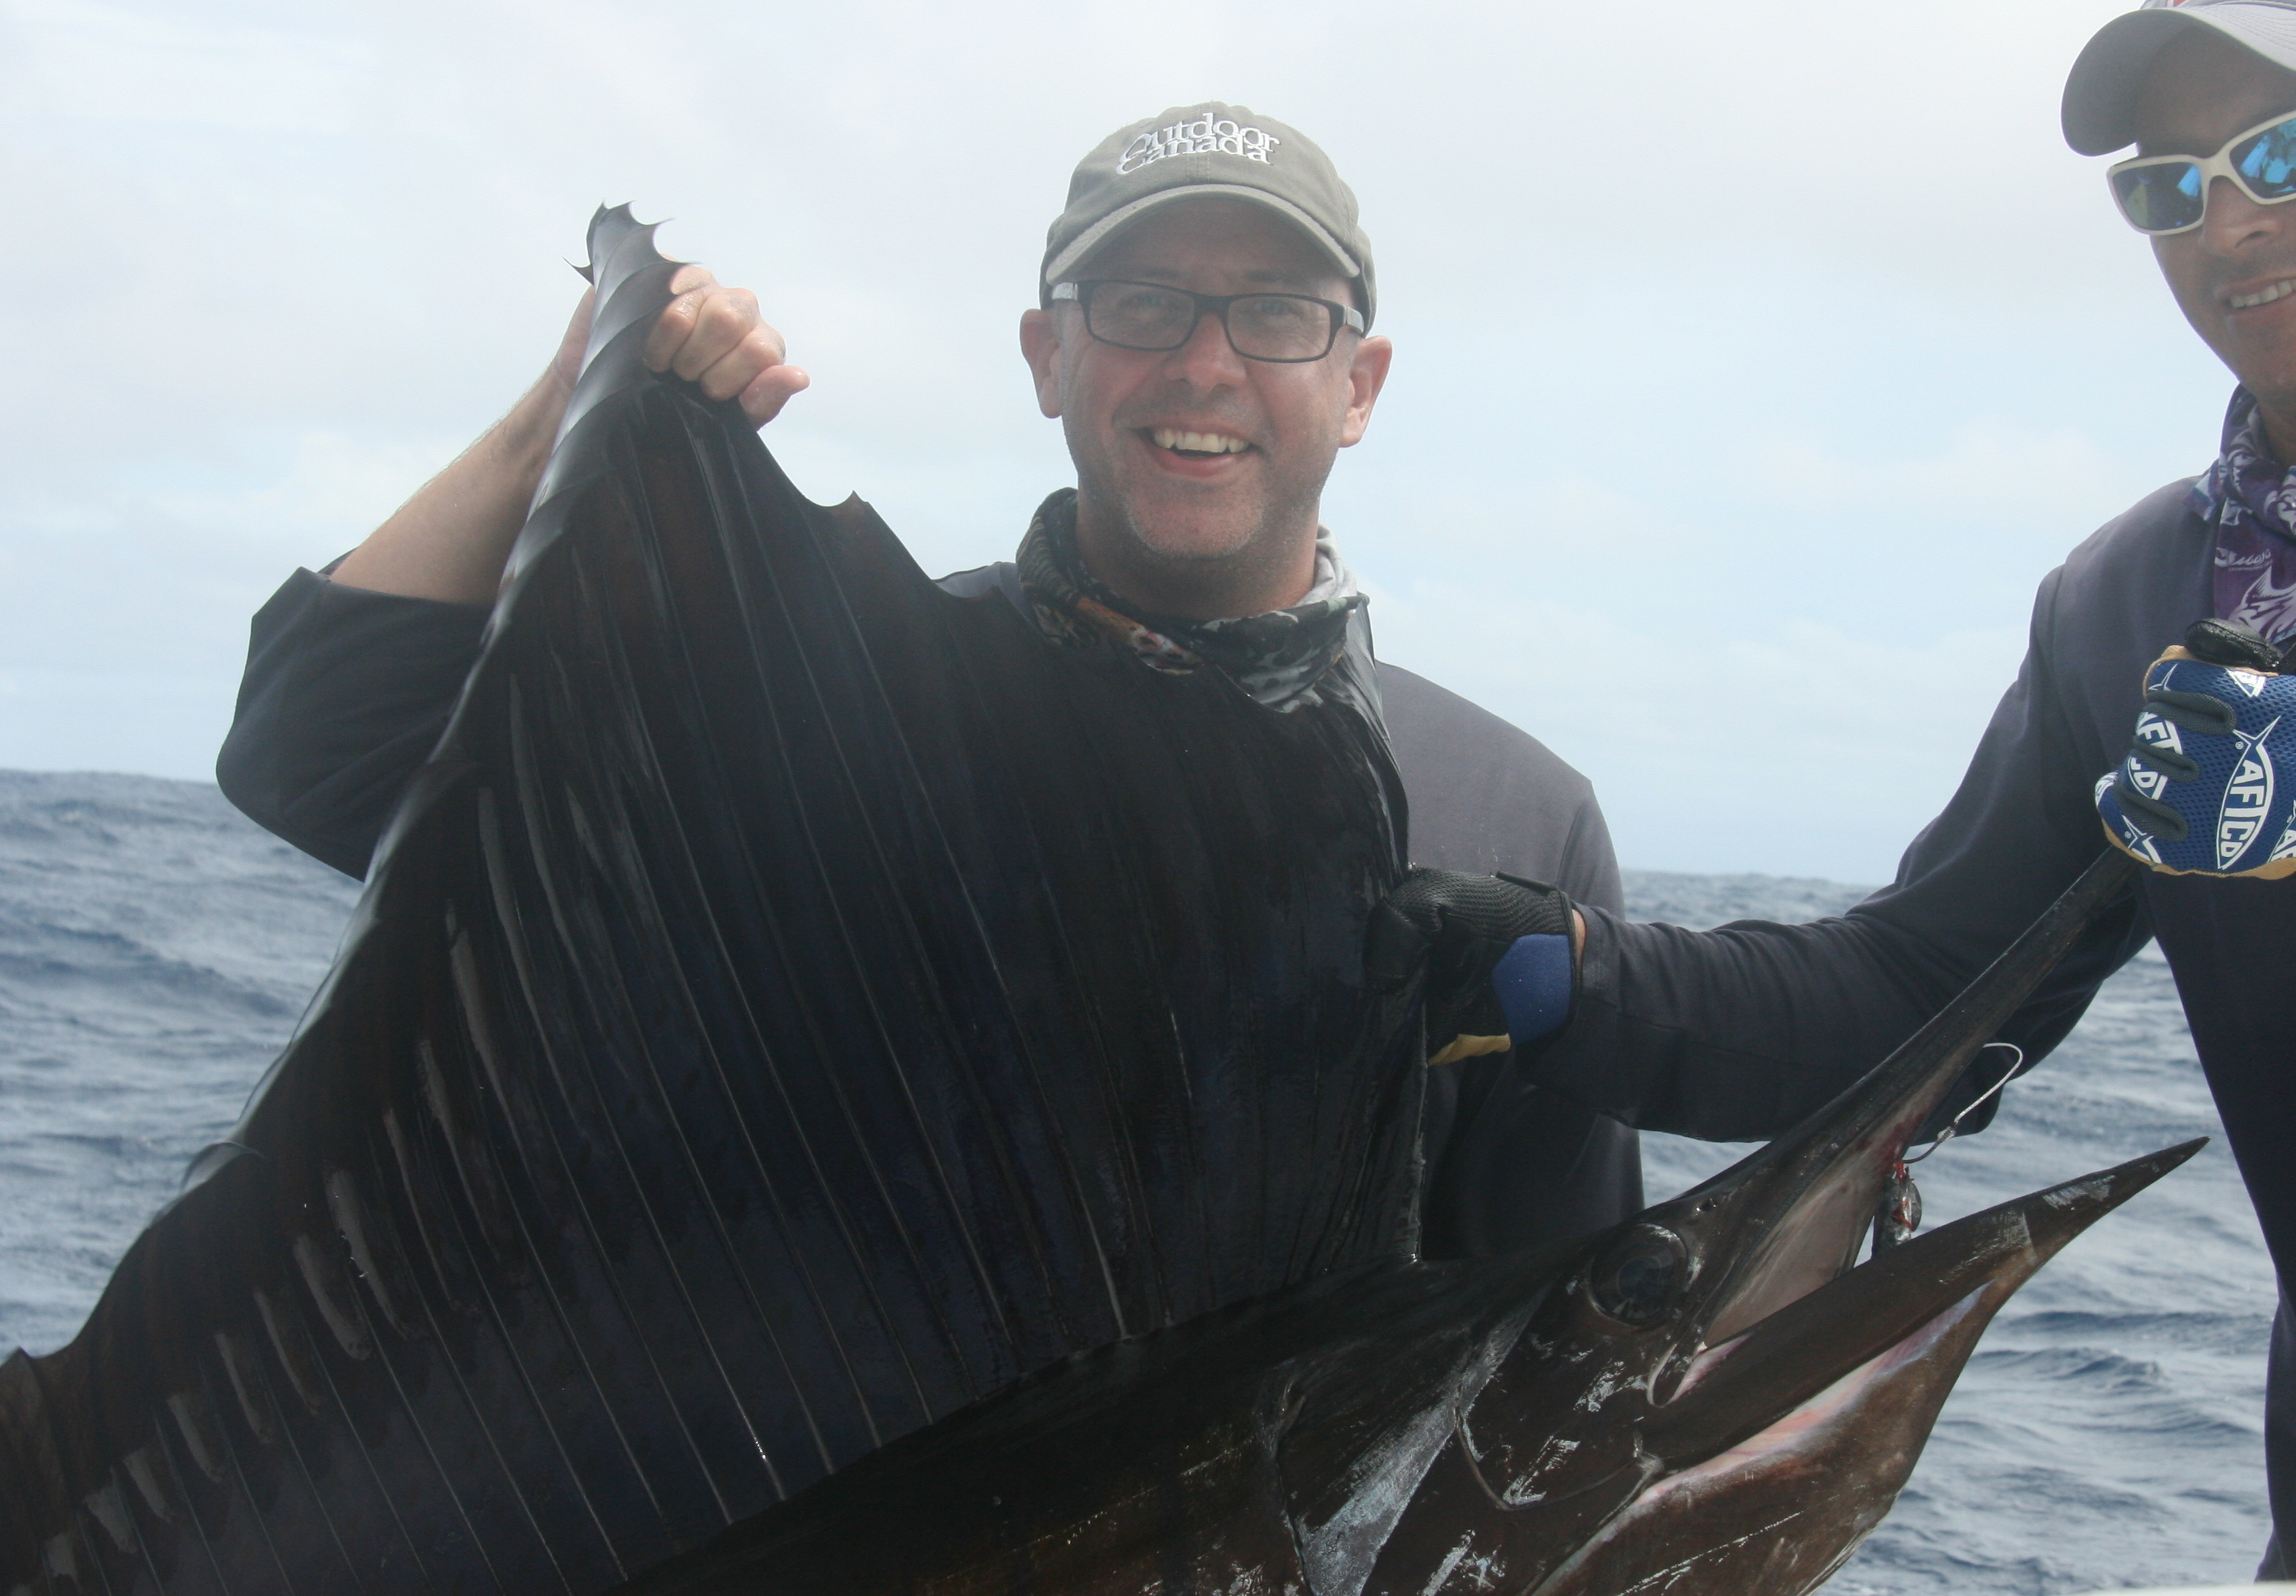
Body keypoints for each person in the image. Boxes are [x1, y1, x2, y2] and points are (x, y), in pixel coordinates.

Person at [1378, 0, 2296, 1572]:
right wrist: (1566, 980)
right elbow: (1917, 1002)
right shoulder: (2132, 603)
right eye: (2170, 184)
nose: (2230, 224)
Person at [215, 104, 1637, 1262]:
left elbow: (1528, 1332)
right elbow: (315, 743)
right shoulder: (837, 720)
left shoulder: (1515, 824)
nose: (1204, 366)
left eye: (1275, 315)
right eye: (1141, 304)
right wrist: (582, 392)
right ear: (1047, 357)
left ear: (1360, 383)